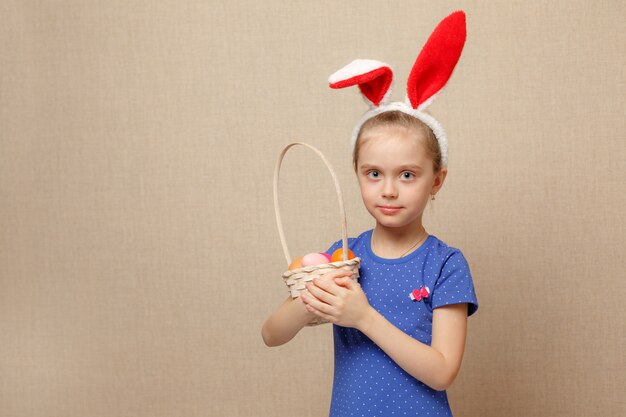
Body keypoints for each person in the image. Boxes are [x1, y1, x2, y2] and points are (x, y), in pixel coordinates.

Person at [262, 11, 478, 417]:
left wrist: (361, 316)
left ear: (437, 181)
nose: (389, 189)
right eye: (374, 173)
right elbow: (271, 335)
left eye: (408, 174)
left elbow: (442, 371)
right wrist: (312, 298)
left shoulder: (445, 264)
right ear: (358, 175)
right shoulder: (344, 255)